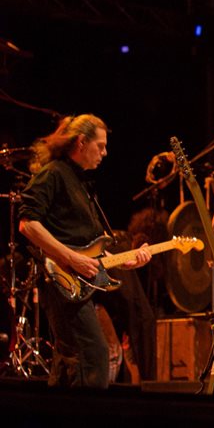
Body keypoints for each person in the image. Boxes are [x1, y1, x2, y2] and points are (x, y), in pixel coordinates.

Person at [18, 114, 151, 388]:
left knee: (70, 363)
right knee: (94, 357)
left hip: (75, 283)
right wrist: (71, 259)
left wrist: (125, 261)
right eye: (100, 145)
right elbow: (27, 224)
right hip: (62, 280)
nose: (105, 152)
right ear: (81, 142)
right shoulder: (54, 173)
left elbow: (90, 250)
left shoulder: (81, 183)